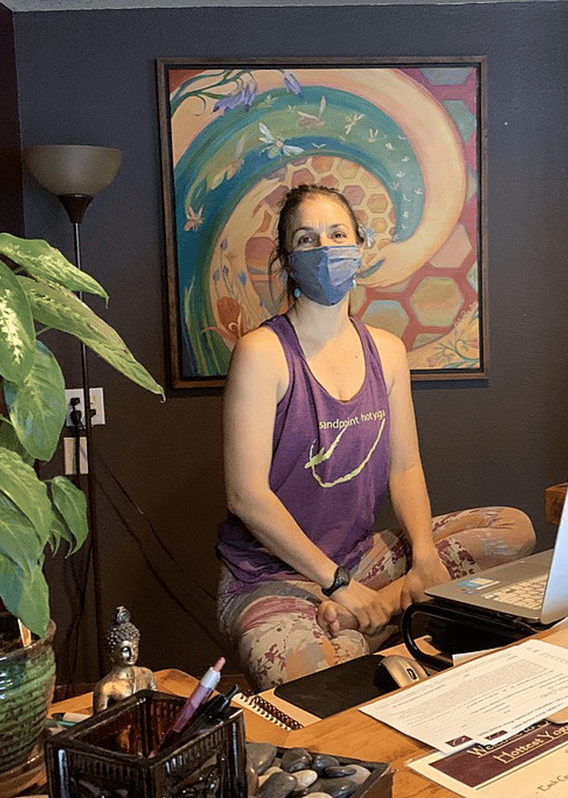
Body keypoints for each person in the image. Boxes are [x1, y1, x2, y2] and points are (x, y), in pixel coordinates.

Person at [216, 183, 536, 690]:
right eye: (306, 240)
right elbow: (246, 496)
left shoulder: (385, 351)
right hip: (272, 580)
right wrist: (336, 584)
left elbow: (404, 466)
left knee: (513, 529)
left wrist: (426, 557)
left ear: (360, 247)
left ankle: (378, 610)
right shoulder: (262, 353)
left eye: (337, 235)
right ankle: (365, 622)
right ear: (286, 258)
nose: (325, 251)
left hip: (360, 560)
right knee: (330, 681)